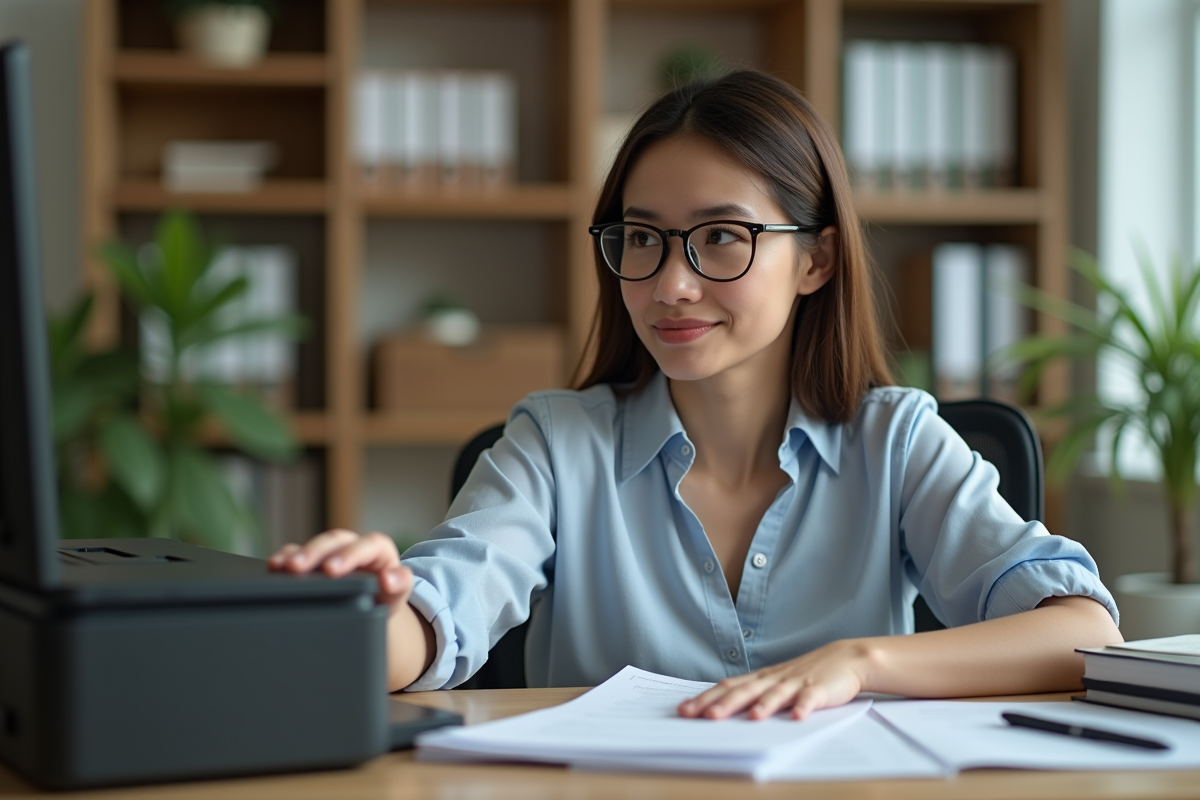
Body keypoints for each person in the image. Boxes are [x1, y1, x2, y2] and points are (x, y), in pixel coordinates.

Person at [270, 70, 1121, 720]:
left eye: (721, 237)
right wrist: (359, 614)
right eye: (642, 238)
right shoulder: (556, 444)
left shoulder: (894, 441)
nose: (671, 284)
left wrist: (861, 663)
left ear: (816, 261)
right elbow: (437, 618)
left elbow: (1085, 633)